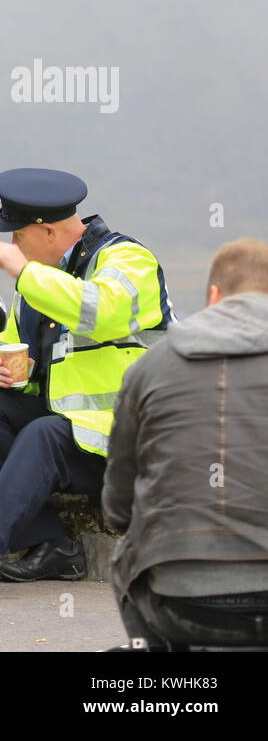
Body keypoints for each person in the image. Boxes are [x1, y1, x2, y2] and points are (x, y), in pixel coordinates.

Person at [0, 168, 176, 597]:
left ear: (49, 231)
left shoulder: (128, 260)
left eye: (18, 236)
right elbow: (12, 351)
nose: (14, 247)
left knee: (46, 432)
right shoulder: (39, 280)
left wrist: (25, 273)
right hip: (72, 435)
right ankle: (50, 543)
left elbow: (102, 311)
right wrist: (5, 377)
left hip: (132, 439)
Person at [104, 238, 268, 650]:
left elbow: (118, 506)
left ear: (214, 296)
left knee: (129, 554)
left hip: (180, 603)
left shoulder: (150, 365)